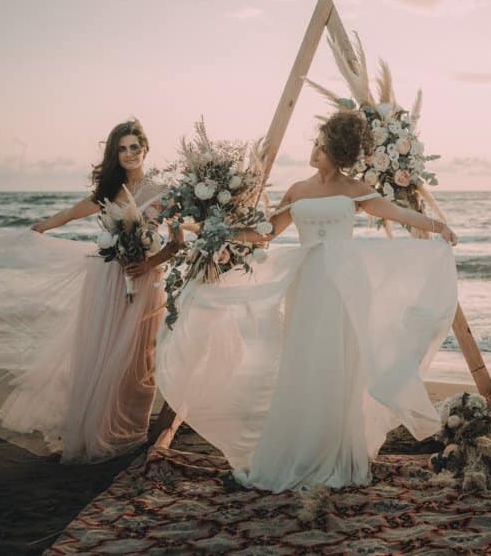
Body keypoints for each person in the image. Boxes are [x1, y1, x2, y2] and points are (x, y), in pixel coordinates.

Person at [156, 110, 459, 491]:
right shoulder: (297, 190)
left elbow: (397, 213)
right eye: (316, 143)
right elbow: (265, 233)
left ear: (339, 151)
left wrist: (438, 226)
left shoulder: (355, 190)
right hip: (307, 284)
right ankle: (297, 447)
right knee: (303, 359)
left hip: (344, 285)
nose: (314, 150)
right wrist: (212, 230)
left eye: (322, 145)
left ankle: (333, 449)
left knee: (336, 361)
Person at [0, 118, 179, 463]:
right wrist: (38, 229)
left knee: (140, 360)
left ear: (146, 149)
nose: (129, 154)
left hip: (146, 281)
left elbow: (178, 243)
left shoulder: (162, 192)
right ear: (115, 154)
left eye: (134, 147)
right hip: (107, 281)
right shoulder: (108, 191)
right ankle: (101, 431)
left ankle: (132, 431)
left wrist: (148, 262)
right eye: (122, 149)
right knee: (103, 356)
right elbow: (69, 214)